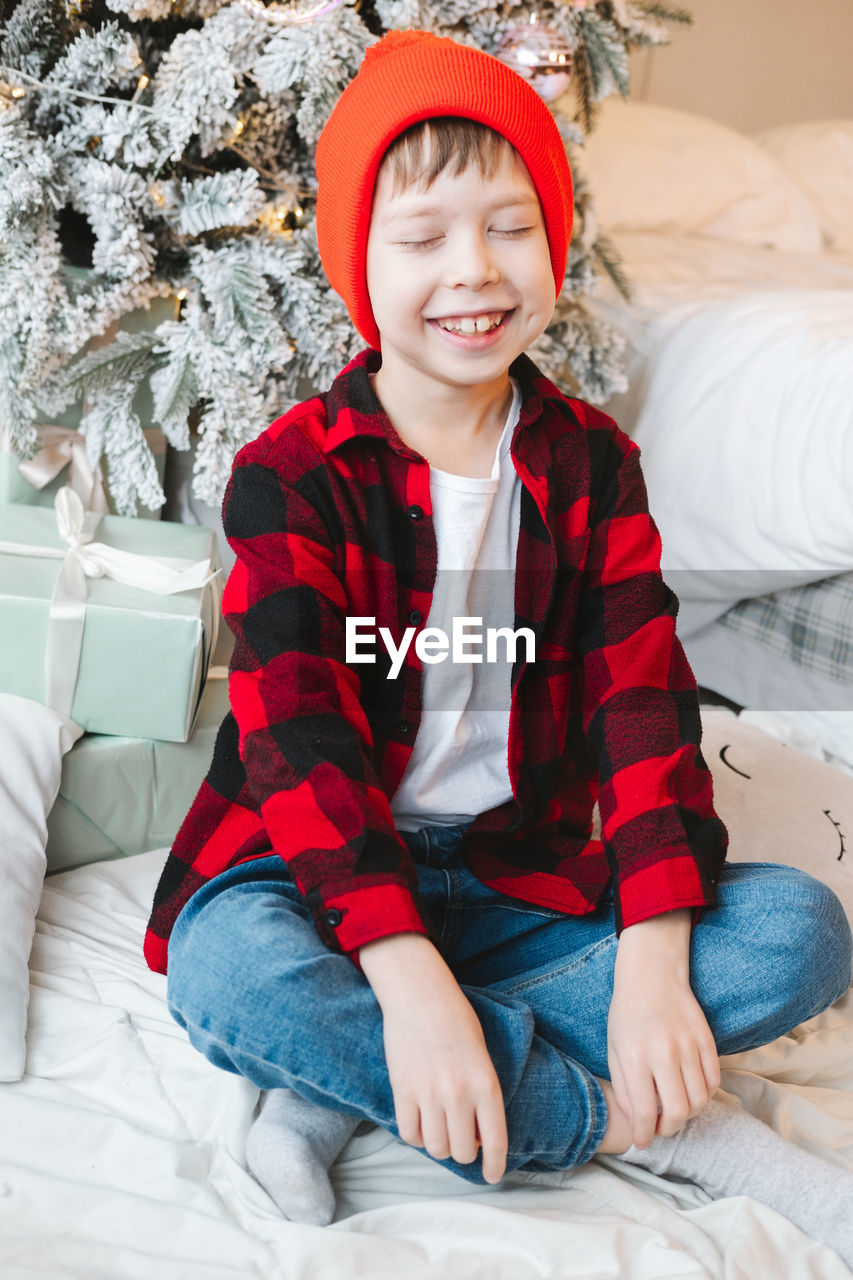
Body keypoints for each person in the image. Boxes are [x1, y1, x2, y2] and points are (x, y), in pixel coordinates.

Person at [145, 29, 853, 1261]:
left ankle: (334, 1088)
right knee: (226, 974)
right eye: (422, 237)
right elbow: (296, 739)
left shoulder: (591, 463)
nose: (472, 271)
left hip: (518, 876)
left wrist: (648, 956)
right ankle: (645, 1124)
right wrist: (402, 974)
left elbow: (644, 707)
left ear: (553, 240)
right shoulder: (289, 477)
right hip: (319, 882)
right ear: (358, 261)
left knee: (799, 931)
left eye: (509, 226)